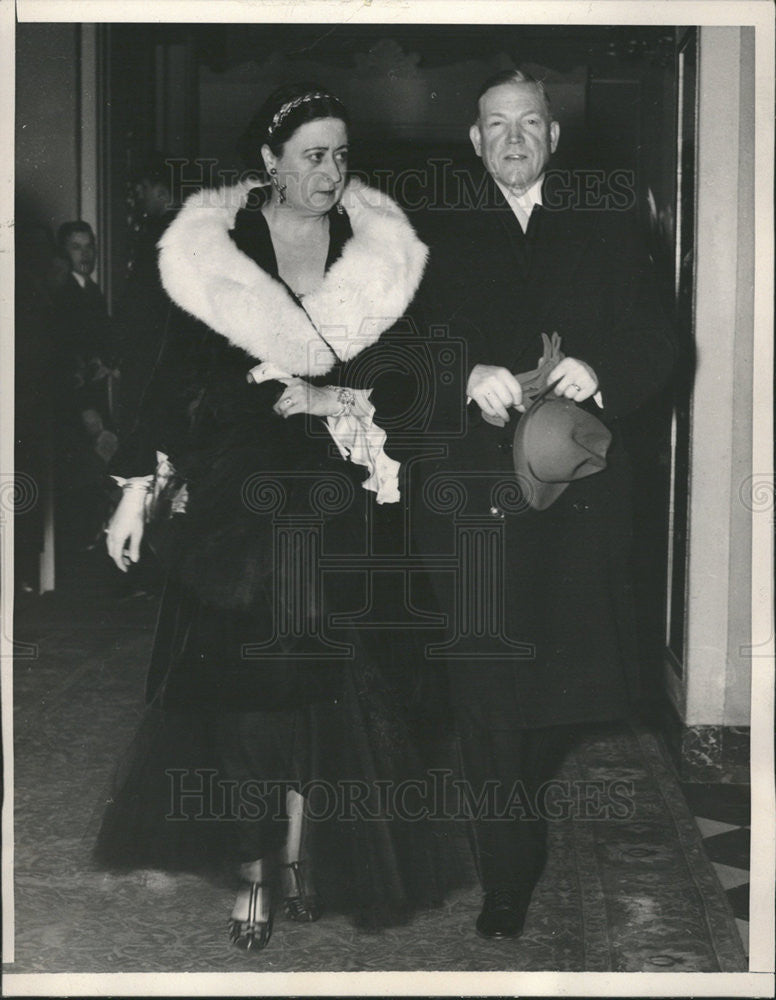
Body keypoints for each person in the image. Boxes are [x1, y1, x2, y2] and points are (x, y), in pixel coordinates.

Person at [94, 82, 450, 952]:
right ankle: (251, 872)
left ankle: (295, 859)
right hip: (234, 511)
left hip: (334, 502)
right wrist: (135, 493)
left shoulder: (381, 256)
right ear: (269, 162)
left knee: (319, 700)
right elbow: (169, 385)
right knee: (242, 699)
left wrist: (330, 394)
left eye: (339, 154)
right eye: (311, 156)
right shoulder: (215, 252)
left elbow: (414, 377)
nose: (330, 172)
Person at [416, 69, 674, 939]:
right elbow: (391, 346)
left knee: (553, 689)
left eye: (531, 123)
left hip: (578, 503)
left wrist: (601, 370)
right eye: (497, 125)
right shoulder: (432, 230)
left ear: (554, 138)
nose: (515, 139)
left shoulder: (605, 219)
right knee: (487, 691)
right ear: (474, 140)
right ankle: (507, 871)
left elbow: (663, 337)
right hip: (474, 495)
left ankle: (520, 792)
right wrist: (463, 375)